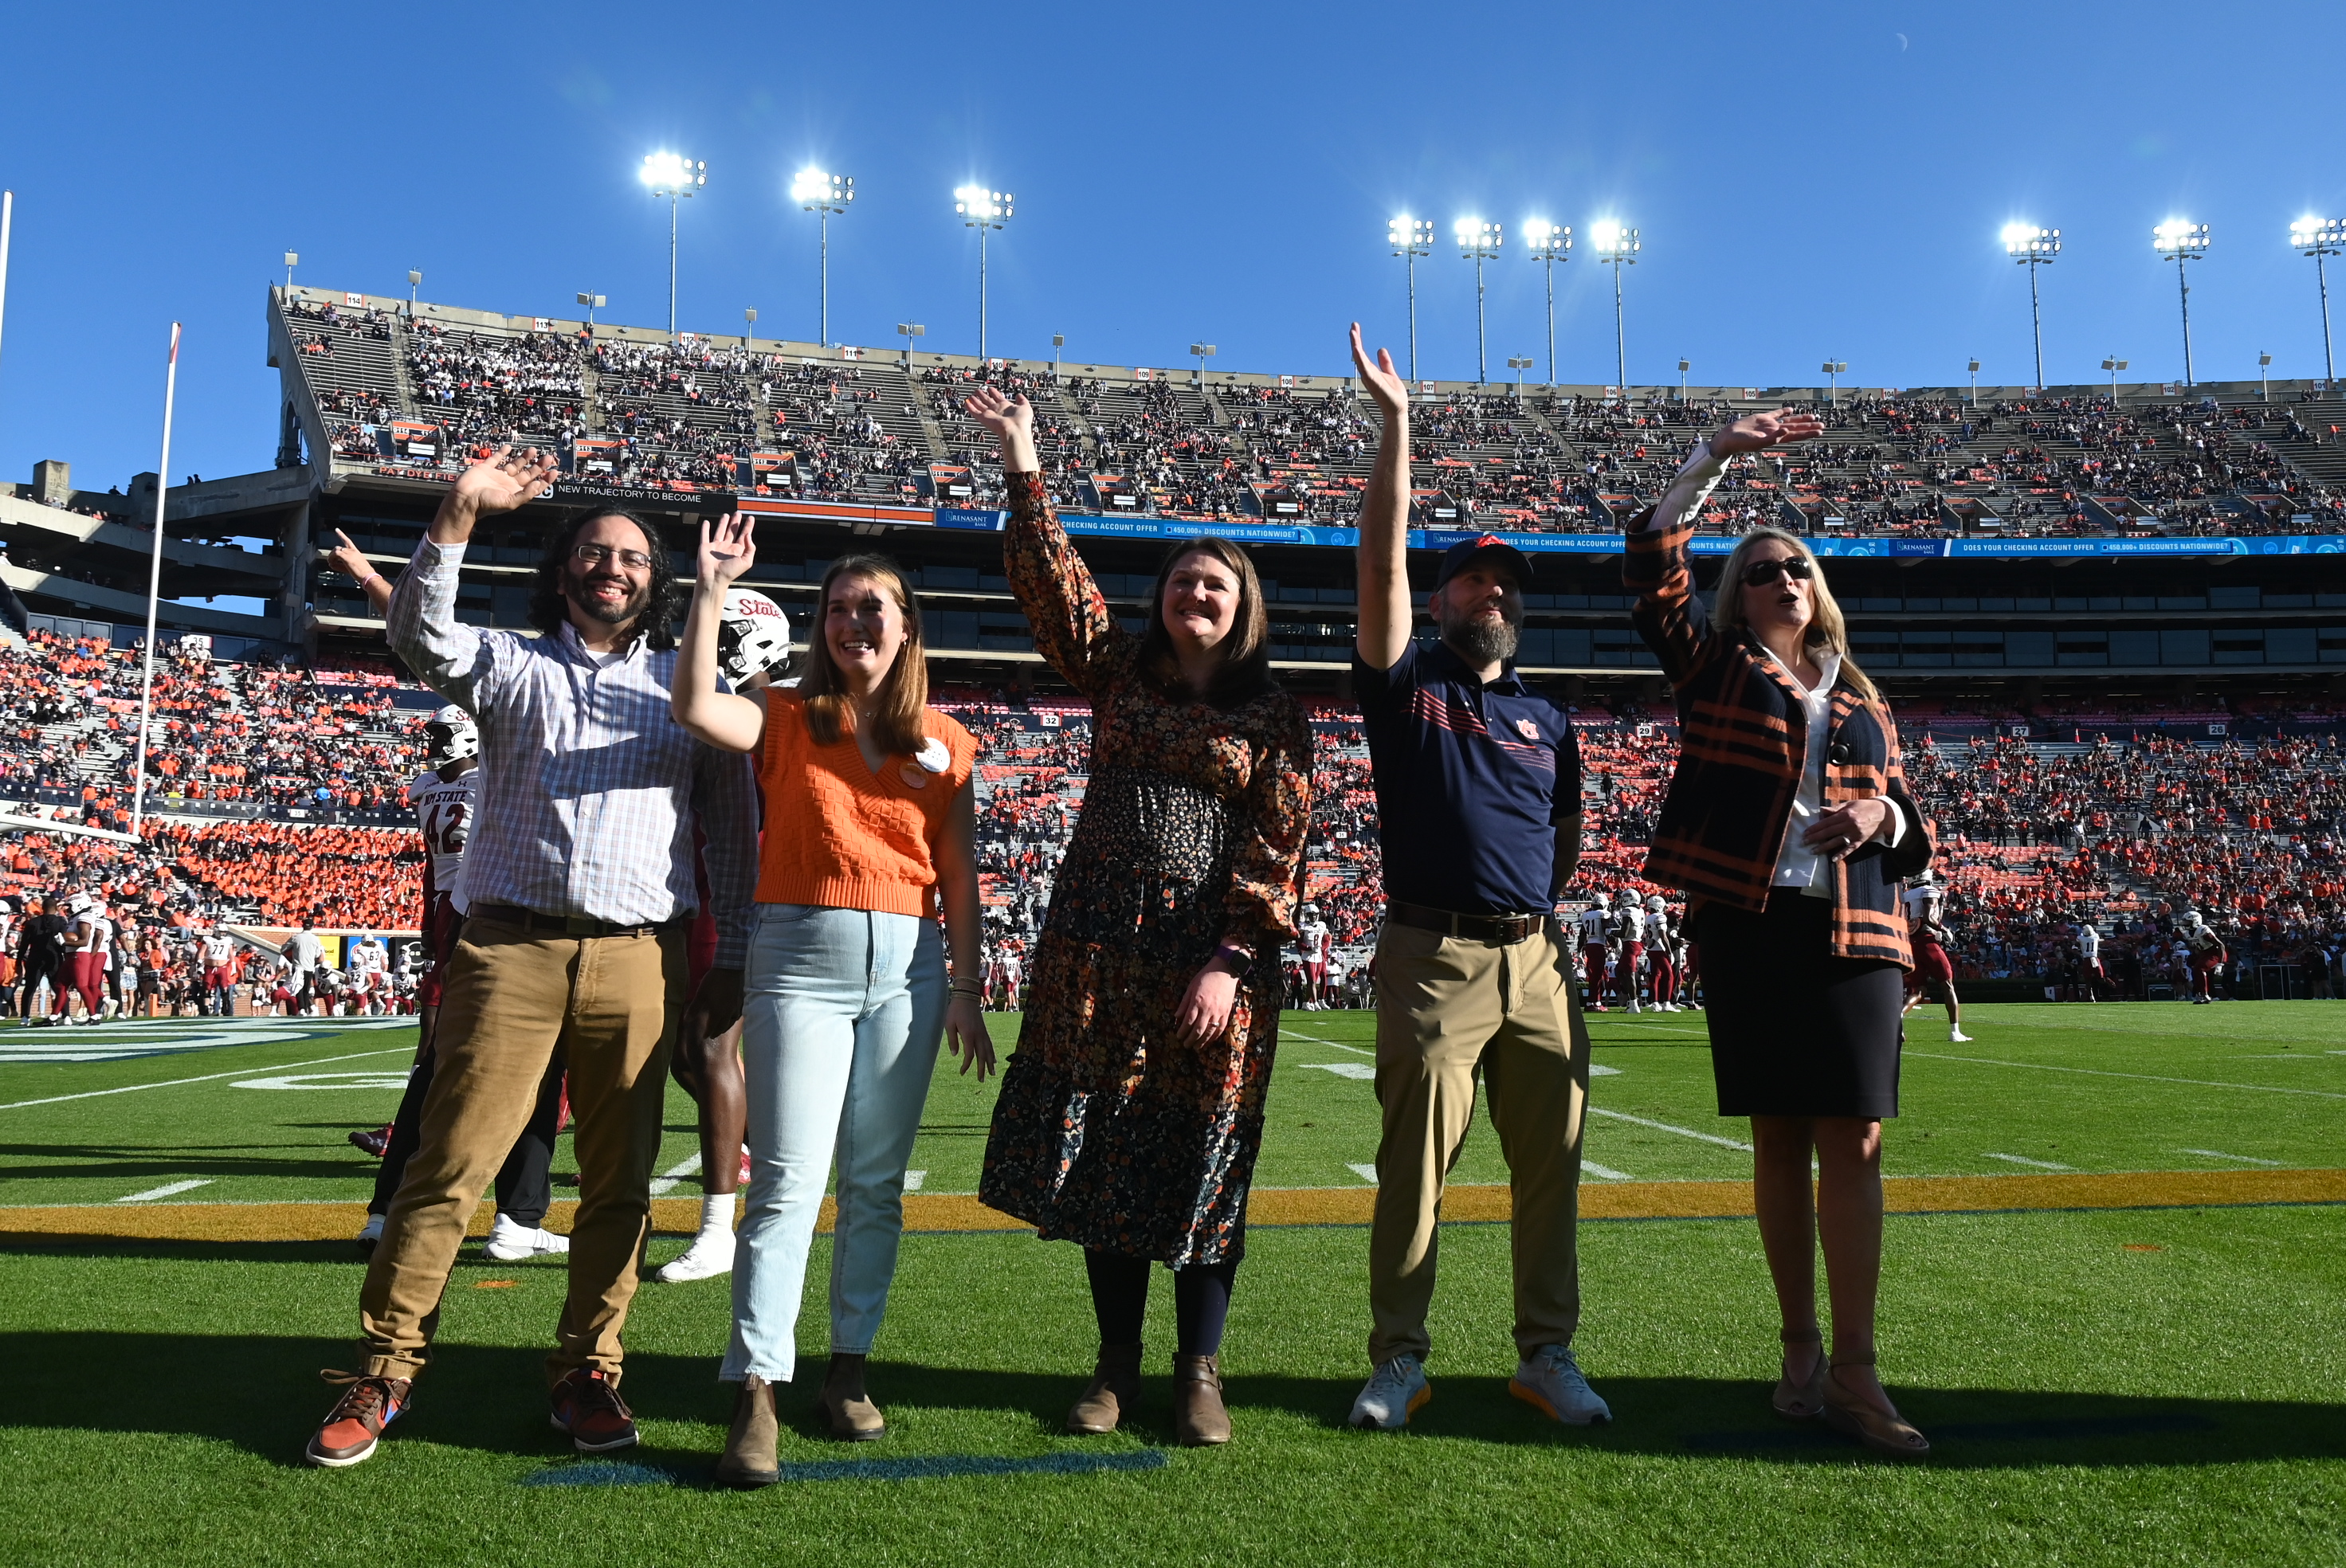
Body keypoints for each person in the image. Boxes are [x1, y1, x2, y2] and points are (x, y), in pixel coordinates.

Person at [305, 445, 756, 1469]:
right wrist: (458, 515)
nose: (614, 569)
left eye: (634, 557)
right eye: (595, 553)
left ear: (658, 580)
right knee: (447, 1167)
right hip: (509, 945)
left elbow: (727, 834)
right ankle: (386, 1368)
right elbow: (421, 636)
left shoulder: (684, 686)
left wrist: (727, 960)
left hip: (641, 956)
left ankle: (589, 1365)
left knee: (620, 1181)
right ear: (563, 570)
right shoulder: (511, 662)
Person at [966, 383, 1313, 1449]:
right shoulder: (1119, 674)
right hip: (1100, 947)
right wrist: (1025, 461)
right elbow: (1053, 590)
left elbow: (1277, 847)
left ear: (1242, 605)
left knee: (1208, 1146)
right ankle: (1115, 1362)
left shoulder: (1271, 713)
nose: (1192, 596)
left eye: (1213, 584)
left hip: (1211, 962)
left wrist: (1226, 957)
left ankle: (1198, 1367)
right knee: (1107, 1148)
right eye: (1179, 583)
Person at [1625, 406, 1934, 1460]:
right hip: (1751, 921)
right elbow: (1652, 553)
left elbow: (1913, 818)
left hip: (1857, 930)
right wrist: (1715, 458)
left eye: (1794, 565)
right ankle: (1799, 1347)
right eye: (1759, 571)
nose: (1779, 577)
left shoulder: (1863, 694)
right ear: (1735, 596)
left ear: (1820, 587)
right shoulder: (1712, 667)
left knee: (1855, 1139)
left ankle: (1856, 1366)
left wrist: (1881, 818)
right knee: (1778, 1139)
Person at [670, 517, 992, 1484]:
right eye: (840, 608)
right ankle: (757, 1386)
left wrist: (968, 989)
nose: (855, 621)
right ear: (822, 626)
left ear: (906, 627)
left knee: (876, 1188)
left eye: (873, 608)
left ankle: (846, 1370)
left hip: (908, 967)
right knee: (785, 1185)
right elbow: (693, 703)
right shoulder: (781, 713)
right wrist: (712, 589)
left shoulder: (949, 740)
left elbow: (961, 876)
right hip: (797, 958)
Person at [1342, 326, 1606, 1433]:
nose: (1488, 591)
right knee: (1415, 1171)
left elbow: (1564, 833)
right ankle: (1400, 1356)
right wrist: (1400, 429)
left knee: (1555, 1163)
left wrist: (1537, 926)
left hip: (1536, 955)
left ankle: (1546, 1353)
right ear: (1442, 598)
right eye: (1470, 578)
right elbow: (1377, 564)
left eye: (1504, 582)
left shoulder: (1551, 716)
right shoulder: (1409, 690)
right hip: (1435, 951)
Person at [657, 585, 801, 1288]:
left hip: (743, 893)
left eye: (716, 635)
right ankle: (776, 1159)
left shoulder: (772, 709)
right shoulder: (754, 704)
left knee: (708, 1045)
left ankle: (721, 1228)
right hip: (707, 889)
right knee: (690, 1053)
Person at [1901, 872, 1969, 1042]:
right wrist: (1944, 930)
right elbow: (1928, 918)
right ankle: (1955, 1032)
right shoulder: (1929, 891)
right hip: (1927, 942)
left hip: (1910, 943)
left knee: (1918, 990)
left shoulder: (1905, 896)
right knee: (1947, 985)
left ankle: (1898, 1016)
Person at [2179, 909, 2226, 1003]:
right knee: (2195, 971)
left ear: (2195, 921)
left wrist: (2220, 964)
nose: (2185, 924)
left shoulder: (2202, 930)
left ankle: (2205, 995)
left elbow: (2220, 945)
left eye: (2188, 922)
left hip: (2216, 953)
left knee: (2199, 968)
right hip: (2205, 954)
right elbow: (2198, 947)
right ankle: (2201, 995)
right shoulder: (2188, 934)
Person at [1577, 892, 1613, 1012]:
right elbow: (1606, 930)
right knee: (1597, 976)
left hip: (1589, 946)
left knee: (1593, 976)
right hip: (1598, 946)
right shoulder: (1604, 914)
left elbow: (1582, 935)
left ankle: (1589, 1002)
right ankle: (1596, 1003)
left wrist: (1579, 950)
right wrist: (1614, 943)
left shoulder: (1586, 915)